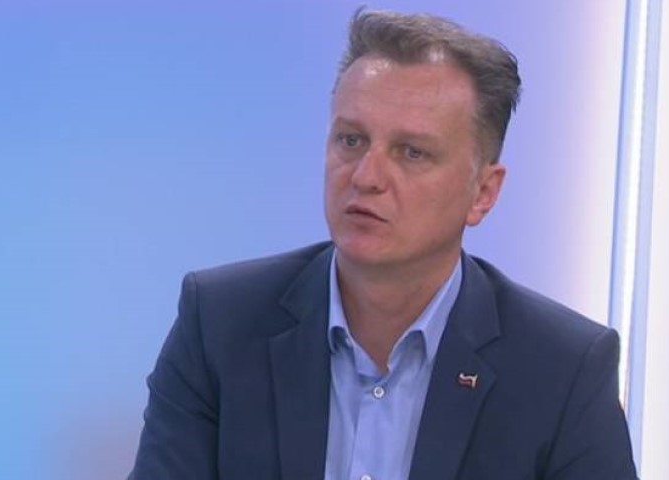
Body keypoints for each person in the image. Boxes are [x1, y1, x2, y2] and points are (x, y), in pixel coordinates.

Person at [128, 9, 638, 480]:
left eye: (411, 152)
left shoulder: (562, 369)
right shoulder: (221, 323)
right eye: (351, 140)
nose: (366, 176)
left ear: (483, 193)